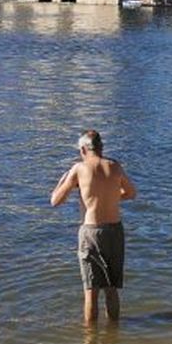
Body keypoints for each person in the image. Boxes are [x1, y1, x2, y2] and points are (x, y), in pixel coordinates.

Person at [50, 130, 138, 325]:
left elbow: (55, 201)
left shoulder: (79, 169)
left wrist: (61, 182)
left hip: (91, 232)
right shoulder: (114, 166)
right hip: (115, 231)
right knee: (111, 289)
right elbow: (131, 193)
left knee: (91, 292)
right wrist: (113, 197)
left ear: (83, 149)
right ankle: (113, 334)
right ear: (101, 148)